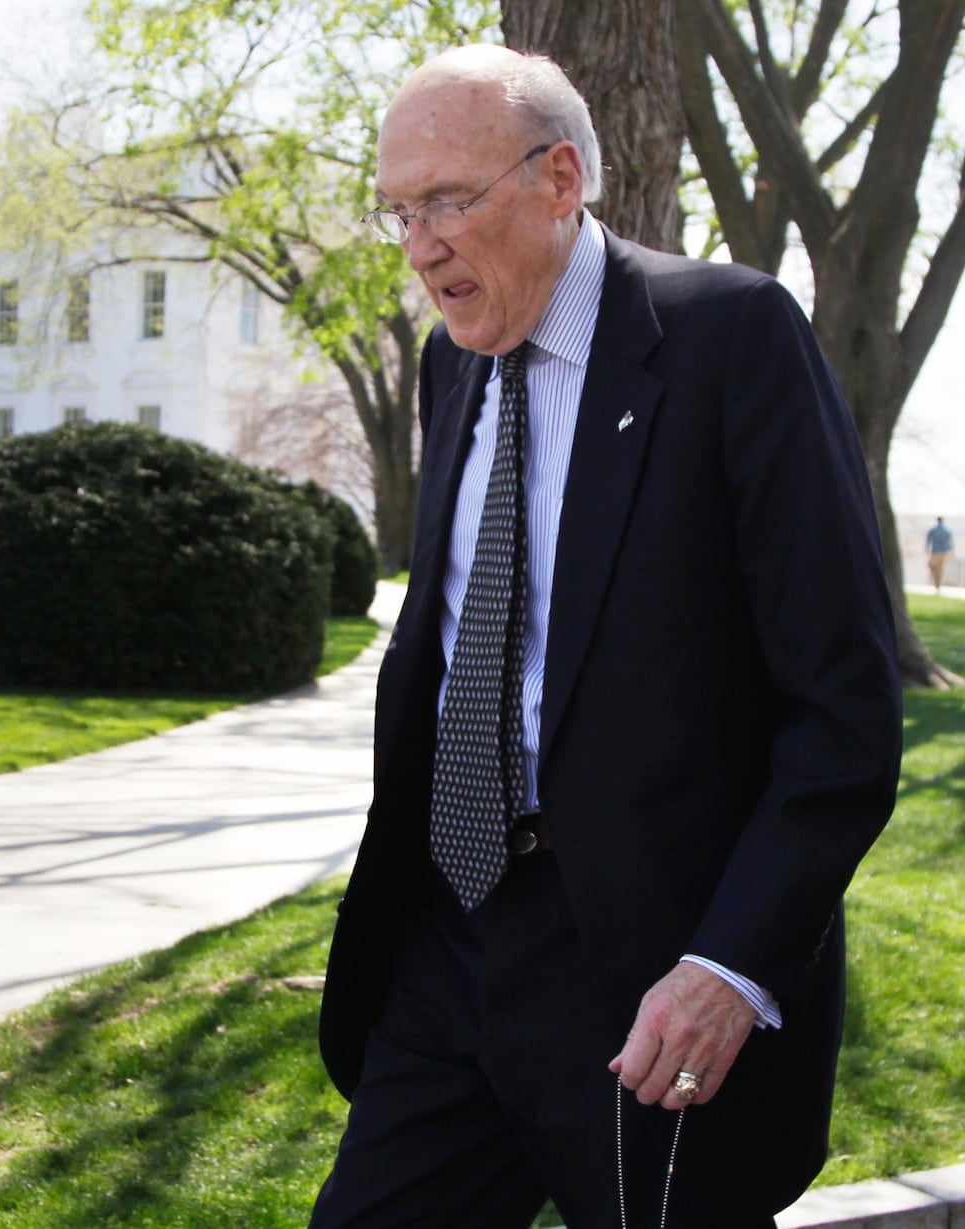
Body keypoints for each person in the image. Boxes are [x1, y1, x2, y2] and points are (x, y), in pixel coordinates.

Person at [309, 45, 902, 1229]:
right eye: (399, 211)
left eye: (447, 201)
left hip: (650, 967)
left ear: (560, 177)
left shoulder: (729, 337)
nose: (420, 244)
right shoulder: (451, 363)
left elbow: (841, 705)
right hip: (452, 934)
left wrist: (730, 964)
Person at [926, 516, 954, 591]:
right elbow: (950, 542)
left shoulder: (932, 529)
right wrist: (951, 551)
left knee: (932, 567)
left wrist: (926, 549)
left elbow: (928, 540)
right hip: (943, 553)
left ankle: (936, 582)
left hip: (935, 552)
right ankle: (938, 583)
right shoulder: (947, 530)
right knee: (940, 569)